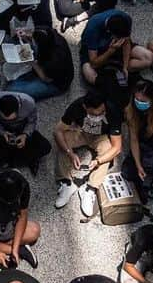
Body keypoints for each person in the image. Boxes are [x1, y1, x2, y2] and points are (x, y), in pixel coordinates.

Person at [53, 90, 123, 218]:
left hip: (102, 137)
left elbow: (117, 147)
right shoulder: (76, 106)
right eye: (93, 114)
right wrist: (70, 153)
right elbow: (58, 131)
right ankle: (67, 183)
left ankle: (90, 188)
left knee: (108, 152)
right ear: (85, 107)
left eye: (101, 113)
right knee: (64, 141)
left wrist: (98, 161)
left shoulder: (113, 110)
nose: (98, 115)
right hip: (81, 132)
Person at [0, 91, 52, 174]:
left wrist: (25, 134)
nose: (10, 121)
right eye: (5, 119)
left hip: (22, 128)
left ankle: (14, 160)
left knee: (45, 147)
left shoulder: (29, 103)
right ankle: (17, 160)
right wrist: (2, 132)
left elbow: (31, 122)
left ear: (19, 108)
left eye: (12, 119)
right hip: (3, 128)